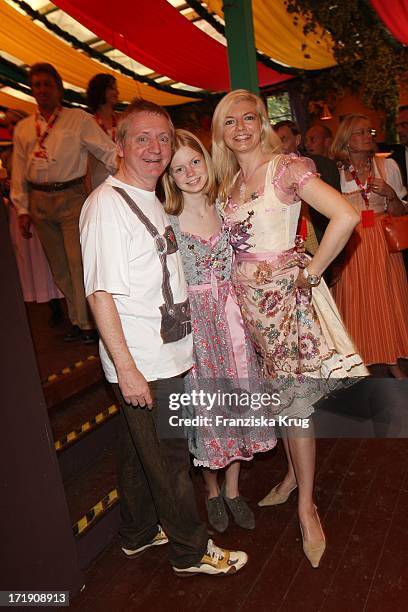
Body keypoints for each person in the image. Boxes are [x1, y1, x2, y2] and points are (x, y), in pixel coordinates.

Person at [79, 99, 247, 576]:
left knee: (139, 451)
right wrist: (128, 369)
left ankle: (136, 534)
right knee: (171, 459)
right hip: (144, 363)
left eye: (163, 138)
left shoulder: (152, 197)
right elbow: (100, 295)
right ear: (119, 144)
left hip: (168, 355)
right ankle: (191, 552)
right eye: (142, 138)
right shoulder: (106, 206)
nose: (155, 148)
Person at [212, 89, 367, 568]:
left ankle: (306, 506)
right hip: (244, 312)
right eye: (229, 120)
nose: (240, 127)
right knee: (281, 401)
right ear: (220, 131)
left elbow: (347, 215)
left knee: (295, 404)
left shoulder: (286, 168)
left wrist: (311, 270)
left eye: (249, 118)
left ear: (262, 122)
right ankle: (291, 478)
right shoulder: (231, 181)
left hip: (282, 308)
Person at [162, 129, 276, 533]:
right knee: (208, 407)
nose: (190, 172)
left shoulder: (227, 206)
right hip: (199, 326)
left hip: (235, 320)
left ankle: (232, 489)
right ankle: (211, 490)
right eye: (179, 168)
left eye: (194, 162)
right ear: (169, 177)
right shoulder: (167, 219)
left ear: (206, 161)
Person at [11, 63, 118, 343]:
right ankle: (80, 322)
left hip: (72, 199)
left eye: (47, 84)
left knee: (79, 263)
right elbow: (19, 171)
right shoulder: (23, 128)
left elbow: (107, 151)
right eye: (37, 85)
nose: (42, 90)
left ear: (58, 88)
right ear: (32, 90)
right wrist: (22, 209)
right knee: (59, 267)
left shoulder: (78, 119)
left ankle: (94, 323)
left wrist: (132, 178)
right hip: (39, 201)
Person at [331, 113, 408, 377]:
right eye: (361, 132)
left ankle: (392, 359)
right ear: (347, 140)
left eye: (370, 132)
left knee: (386, 299)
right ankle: (361, 358)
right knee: (358, 301)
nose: (368, 137)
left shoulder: (388, 167)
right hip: (353, 243)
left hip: (382, 243)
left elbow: (400, 212)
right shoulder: (337, 173)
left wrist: (390, 194)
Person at [4, 107, 64, 324]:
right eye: (8, 125)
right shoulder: (8, 152)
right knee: (30, 259)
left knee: (46, 258)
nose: (11, 129)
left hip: (37, 208)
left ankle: (59, 301)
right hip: (19, 210)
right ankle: (50, 304)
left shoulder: (34, 145)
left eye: (14, 123)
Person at [86, 73, 119, 190]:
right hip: (99, 185)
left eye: (116, 88)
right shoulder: (88, 124)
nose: (117, 92)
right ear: (100, 90)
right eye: (112, 88)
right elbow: (86, 167)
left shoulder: (123, 121)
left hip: (123, 182)